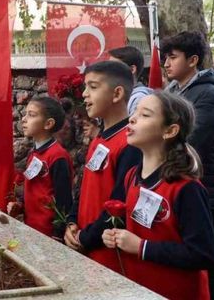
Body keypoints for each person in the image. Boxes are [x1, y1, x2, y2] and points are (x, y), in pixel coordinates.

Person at [102, 91, 214, 300]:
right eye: (134, 112)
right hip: (140, 289)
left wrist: (141, 247)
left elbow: (203, 254)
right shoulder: (131, 177)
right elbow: (143, 229)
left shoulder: (186, 188)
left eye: (145, 115)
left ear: (170, 130)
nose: (132, 118)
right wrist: (116, 236)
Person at [161, 31, 214, 300]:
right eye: (165, 57)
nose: (166, 63)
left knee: (202, 261)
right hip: (177, 185)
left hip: (203, 190)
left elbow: (193, 142)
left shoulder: (208, 95)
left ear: (193, 60)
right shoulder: (173, 91)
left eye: (173, 57)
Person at [64, 61, 141, 272]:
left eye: (93, 87)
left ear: (117, 94)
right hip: (87, 247)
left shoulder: (130, 144)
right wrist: (71, 222)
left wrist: (85, 237)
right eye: (85, 87)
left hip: (110, 257)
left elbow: (120, 205)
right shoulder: (99, 140)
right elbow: (85, 187)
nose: (84, 94)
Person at [7, 96, 73, 239]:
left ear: (48, 124)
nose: (24, 119)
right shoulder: (33, 153)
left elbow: (64, 200)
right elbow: (34, 189)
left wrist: (58, 233)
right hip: (32, 227)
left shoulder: (57, 156)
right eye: (25, 114)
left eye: (31, 115)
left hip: (48, 233)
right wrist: (19, 205)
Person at [109, 45, 153, 115]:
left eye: (114, 66)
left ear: (132, 69)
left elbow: (135, 126)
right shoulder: (119, 96)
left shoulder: (139, 99)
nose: (108, 71)